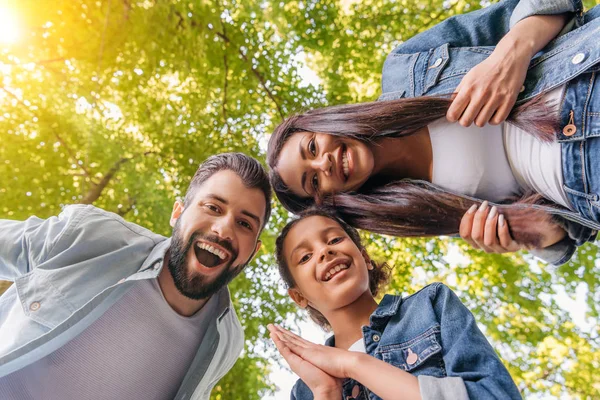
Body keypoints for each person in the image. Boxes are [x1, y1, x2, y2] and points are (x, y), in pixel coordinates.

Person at [267, 0, 600, 265]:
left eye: (311, 148)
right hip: (588, 188)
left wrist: (509, 56)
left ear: (321, 124)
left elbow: (552, 4)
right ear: (329, 200)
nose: (322, 164)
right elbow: (567, 238)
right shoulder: (418, 211)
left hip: (586, 82)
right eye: (313, 181)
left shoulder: (405, 68)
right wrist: (528, 233)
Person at [0, 153, 271, 400]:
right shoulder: (93, 235)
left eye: (244, 224)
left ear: (253, 251)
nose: (224, 229)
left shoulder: (226, 341)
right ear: (177, 214)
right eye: (213, 207)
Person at [268, 208, 521, 400]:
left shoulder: (430, 306)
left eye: (334, 240)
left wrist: (354, 364)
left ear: (364, 257)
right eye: (305, 256)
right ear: (299, 296)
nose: (324, 252)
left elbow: (496, 394)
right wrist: (326, 392)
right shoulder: (306, 390)